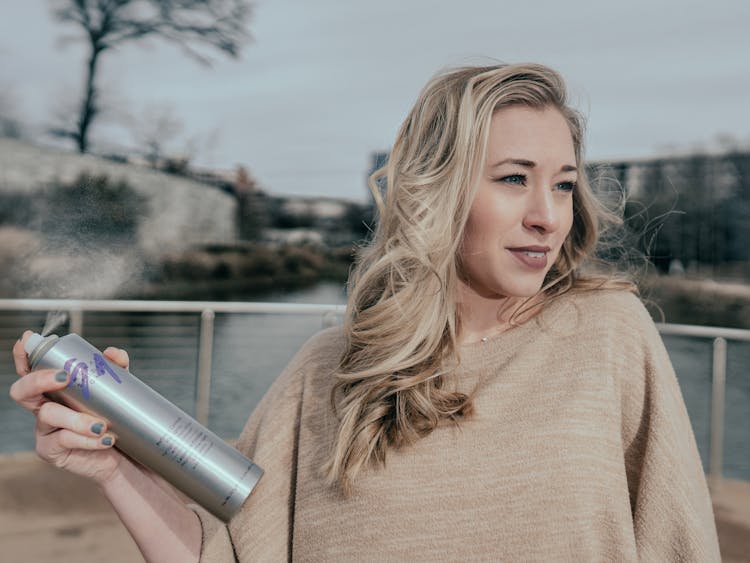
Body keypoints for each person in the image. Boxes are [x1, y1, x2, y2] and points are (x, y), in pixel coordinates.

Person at [10, 63, 721, 562]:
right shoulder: (330, 365)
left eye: (564, 186)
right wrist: (112, 470)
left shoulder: (608, 335)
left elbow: (680, 541)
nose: (546, 215)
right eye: (512, 179)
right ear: (435, 191)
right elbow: (227, 553)